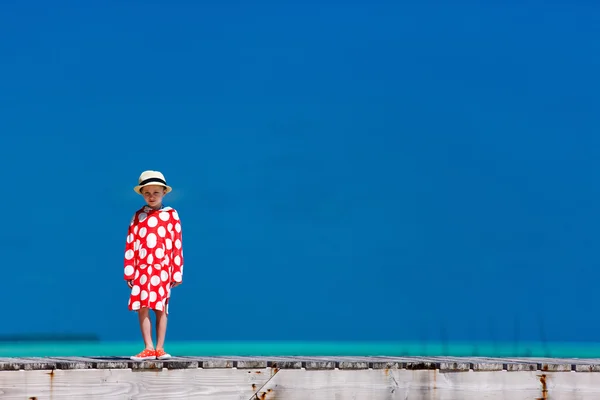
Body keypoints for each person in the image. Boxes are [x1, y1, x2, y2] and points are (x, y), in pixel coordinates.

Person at [124, 170, 184, 361]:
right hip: (142, 268)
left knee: (161, 307)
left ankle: (160, 347)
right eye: (147, 192)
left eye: (156, 192)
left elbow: (177, 244)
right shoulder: (138, 216)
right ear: (142, 194)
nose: (151, 196)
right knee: (142, 306)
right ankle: (148, 347)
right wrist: (129, 272)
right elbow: (131, 243)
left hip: (162, 268)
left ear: (164, 193)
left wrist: (177, 273)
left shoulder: (172, 215)